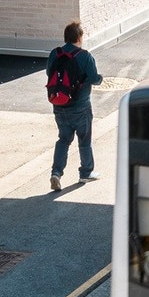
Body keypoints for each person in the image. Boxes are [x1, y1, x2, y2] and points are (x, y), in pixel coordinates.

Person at [48, 20, 102, 191]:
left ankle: (56, 173)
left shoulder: (54, 54)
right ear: (79, 38)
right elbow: (94, 78)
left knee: (63, 139)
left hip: (59, 104)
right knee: (84, 140)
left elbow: (50, 73)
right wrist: (100, 78)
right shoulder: (85, 56)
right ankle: (86, 172)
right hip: (81, 106)